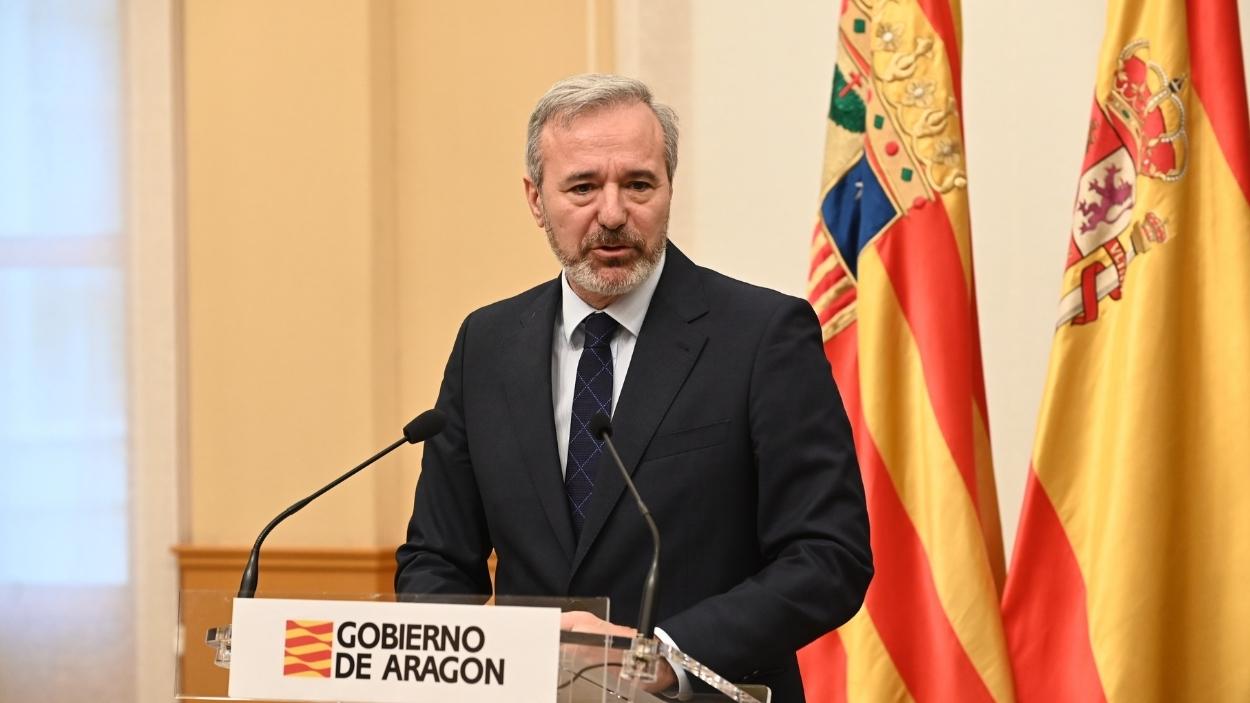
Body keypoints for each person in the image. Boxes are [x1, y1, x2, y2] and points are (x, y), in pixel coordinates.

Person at [395, 74, 872, 702]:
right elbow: (437, 559)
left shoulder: (761, 337)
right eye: (584, 187)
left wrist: (660, 657)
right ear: (536, 199)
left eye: (638, 184)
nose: (614, 214)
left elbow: (827, 557)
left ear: (669, 188)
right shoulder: (487, 343)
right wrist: (475, 664)